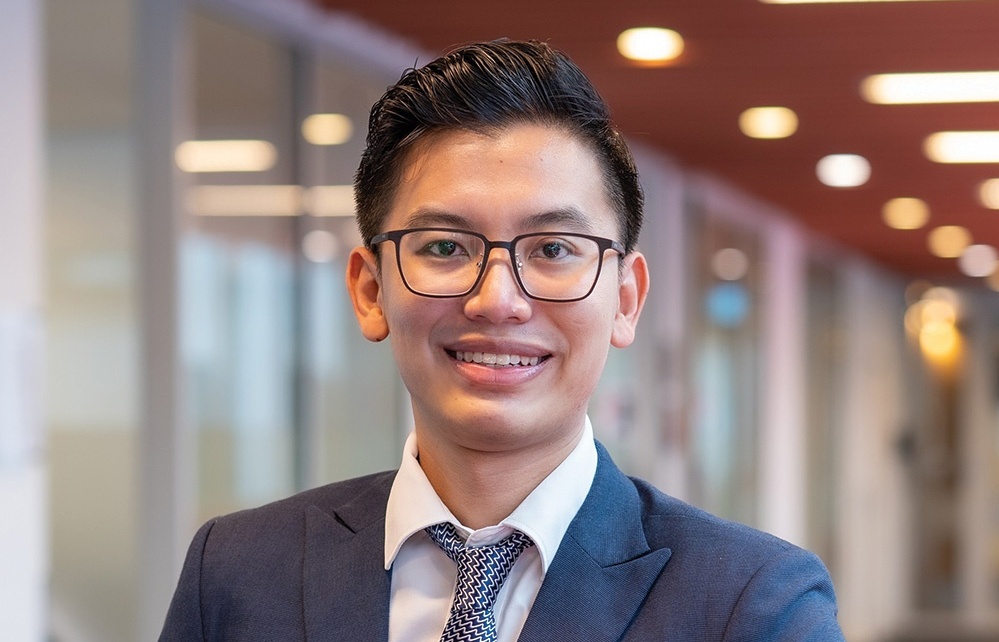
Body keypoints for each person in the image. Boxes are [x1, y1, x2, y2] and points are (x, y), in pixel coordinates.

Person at [159, 39, 845, 641]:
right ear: (370, 291)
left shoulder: (751, 603)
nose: (497, 300)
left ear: (626, 299)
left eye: (552, 248)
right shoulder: (238, 573)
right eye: (444, 246)